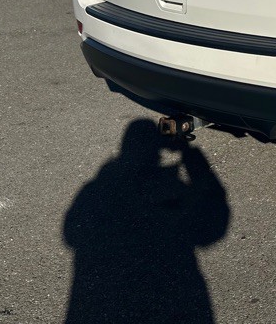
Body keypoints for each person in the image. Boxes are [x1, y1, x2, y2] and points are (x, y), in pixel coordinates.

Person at [63, 119, 230, 323]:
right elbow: (212, 228)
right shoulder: (166, 185)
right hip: (175, 290)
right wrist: (188, 153)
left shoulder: (96, 187)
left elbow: (71, 235)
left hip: (106, 299)